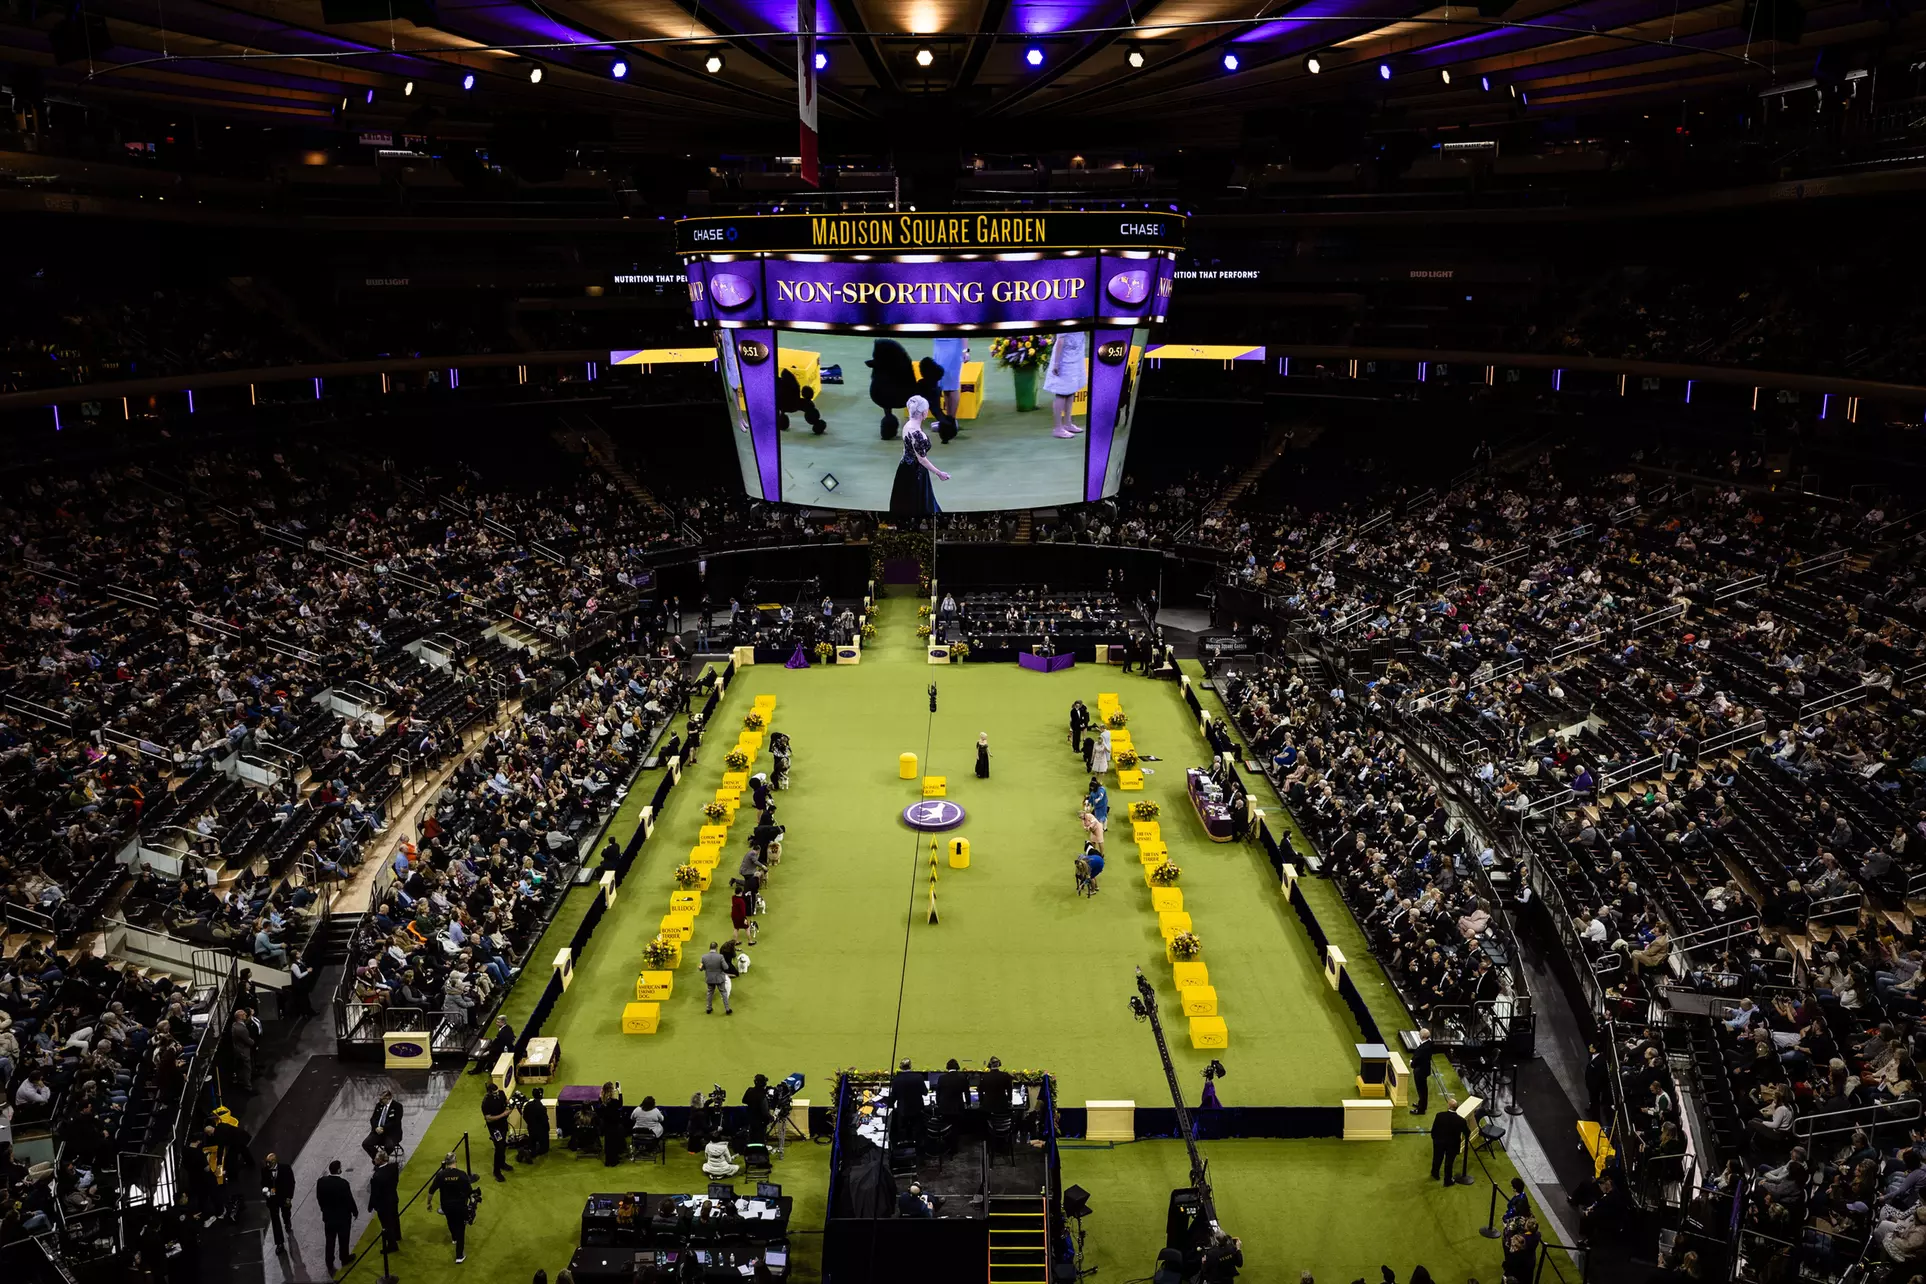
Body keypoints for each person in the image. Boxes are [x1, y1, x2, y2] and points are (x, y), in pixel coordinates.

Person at [888, 395, 950, 517]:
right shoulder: (917, 434)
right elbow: (922, 459)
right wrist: (939, 473)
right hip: (915, 472)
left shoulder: (907, 425)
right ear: (924, 413)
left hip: (904, 467)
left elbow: (906, 449)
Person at [315, 1159, 358, 1275]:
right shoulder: (343, 1184)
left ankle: (329, 1262)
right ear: (339, 1170)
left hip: (329, 1217)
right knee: (343, 1239)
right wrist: (355, 1211)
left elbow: (319, 1198)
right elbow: (349, 1200)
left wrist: (324, 1209)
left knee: (330, 1240)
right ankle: (344, 1258)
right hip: (343, 1218)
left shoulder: (321, 1182)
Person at [428, 1155, 474, 1264]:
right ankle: (459, 1255)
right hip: (459, 1206)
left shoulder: (440, 1175)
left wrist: (428, 1203)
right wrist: (472, 1203)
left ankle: (454, 1237)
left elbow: (431, 1190)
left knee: (450, 1220)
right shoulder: (462, 1175)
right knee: (461, 1229)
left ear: (446, 1162)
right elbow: (469, 1192)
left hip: (446, 1206)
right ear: (455, 1161)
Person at [1043, 330, 1089, 438]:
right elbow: (1060, 340)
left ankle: (1067, 424)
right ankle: (1058, 428)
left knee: (1071, 391)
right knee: (1061, 393)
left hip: (1076, 356)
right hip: (1064, 359)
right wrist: (1056, 364)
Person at [260, 1152, 295, 1254]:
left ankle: (287, 1222)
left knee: (286, 1213)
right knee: (275, 1221)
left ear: (274, 1161)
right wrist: (266, 1192)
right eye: (267, 1162)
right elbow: (263, 1184)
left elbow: (291, 1183)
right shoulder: (264, 1170)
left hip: (283, 1197)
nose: (267, 1165)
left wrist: (289, 1197)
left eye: (269, 1162)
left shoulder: (285, 1168)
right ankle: (279, 1243)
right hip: (272, 1199)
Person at [370, 1148, 402, 1253]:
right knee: (395, 1217)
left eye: (376, 1159)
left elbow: (375, 1193)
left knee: (386, 1224)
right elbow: (396, 1180)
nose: (374, 1160)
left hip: (384, 1203)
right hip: (393, 1197)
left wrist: (371, 1205)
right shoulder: (393, 1167)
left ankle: (392, 1245)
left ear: (381, 1160)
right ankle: (397, 1235)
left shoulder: (377, 1176)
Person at [482, 1081, 514, 1180]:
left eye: (497, 1092)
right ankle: (496, 1171)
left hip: (503, 1124)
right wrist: (503, 1115)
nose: (497, 1094)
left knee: (503, 1144)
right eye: (494, 1093)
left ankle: (502, 1163)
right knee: (499, 1147)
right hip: (494, 1128)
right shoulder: (486, 1103)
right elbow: (488, 1118)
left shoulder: (501, 1093)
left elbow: (506, 1101)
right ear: (489, 1093)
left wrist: (510, 1103)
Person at [1430, 1105, 1469, 1183]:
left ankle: (1435, 1173)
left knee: (1437, 1158)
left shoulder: (1439, 1115)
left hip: (1439, 1142)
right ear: (1456, 1108)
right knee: (1449, 1162)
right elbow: (1467, 1132)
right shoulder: (1461, 1120)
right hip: (1452, 1144)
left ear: (1448, 1106)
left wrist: (1435, 1139)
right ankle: (1447, 1180)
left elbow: (1434, 1129)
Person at [365, 1088, 404, 1159]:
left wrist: (383, 1128)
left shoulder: (397, 1106)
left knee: (389, 1146)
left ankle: (381, 1160)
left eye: (382, 1099)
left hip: (391, 1133)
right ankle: (378, 1159)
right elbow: (373, 1119)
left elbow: (396, 1122)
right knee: (366, 1144)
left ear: (389, 1098)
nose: (380, 1100)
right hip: (378, 1131)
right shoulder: (379, 1105)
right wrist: (376, 1127)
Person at [598, 1081, 627, 1167]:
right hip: (614, 1124)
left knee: (608, 1142)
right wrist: (620, 1092)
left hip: (606, 1125)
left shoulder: (602, 1101)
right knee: (613, 1143)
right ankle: (613, 1161)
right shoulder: (614, 1102)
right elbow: (620, 1104)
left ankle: (608, 1161)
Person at [701, 941, 733, 1015]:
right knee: (723, 993)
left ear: (709, 948)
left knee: (710, 993)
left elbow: (701, 968)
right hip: (719, 978)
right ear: (716, 948)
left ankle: (708, 1008)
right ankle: (727, 1009)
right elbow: (726, 967)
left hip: (710, 978)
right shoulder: (720, 957)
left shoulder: (704, 957)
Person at [1409, 1029, 1436, 1114]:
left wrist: (1412, 1063)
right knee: (1422, 1090)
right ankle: (1421, 1104)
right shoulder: (1429, 1044)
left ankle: (1421, 1109)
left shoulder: (1424, 1048)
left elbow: (1418, 1059)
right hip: (1424, 1070)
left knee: (1421, 1090)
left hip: (1420, 1071)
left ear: (1422, 1037)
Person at [525, 1086, 550, 1156]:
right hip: (541, 1131)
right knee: (544, 1149)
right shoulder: (542, 1108)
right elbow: (545, 1121)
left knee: (532, 1142)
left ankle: (532, 1149)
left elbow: (525, 1116)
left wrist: (530, 1123)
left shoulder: (528, 1105)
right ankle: (534, 1152)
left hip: (531, 1128)